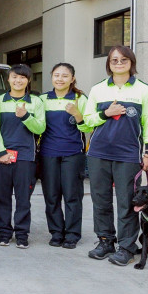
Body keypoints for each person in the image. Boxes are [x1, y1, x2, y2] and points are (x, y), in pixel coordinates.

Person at [83, 45, 148, 267]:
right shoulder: (98, 90)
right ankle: (105, 241)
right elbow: (87, 121)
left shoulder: (144, 90)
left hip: (128, 155)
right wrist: (106, 113)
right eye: (114, 60)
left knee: (127, 201)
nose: (118, 63)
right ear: (108, 64)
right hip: (98, 153)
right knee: (100, 199)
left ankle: (126, 247)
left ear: (131, 63)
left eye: (123, 60)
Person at [0, 64, 46, 248]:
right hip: (2, 156)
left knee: (23, 198)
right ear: (8, 79)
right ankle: (4, 232)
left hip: (25, 157)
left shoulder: (35, 102)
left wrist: (25, 116)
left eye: (22, 77)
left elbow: (40, 128)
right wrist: (1, 152)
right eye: (14, 77)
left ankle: (22, 234)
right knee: (1, 197)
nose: (18, 80)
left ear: (28, 80)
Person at [39, 62, 91, 248]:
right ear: (51, 77)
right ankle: (56, 232)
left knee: (72, 196)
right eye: (56, 75)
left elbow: (88, 127)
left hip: (72, 154)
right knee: (51, 196)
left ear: (72, 78)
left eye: (64, 76)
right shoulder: (43, 99)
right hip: (48, 153)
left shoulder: (80, 98)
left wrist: (78, 114)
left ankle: (72, 234)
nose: (60, 79)